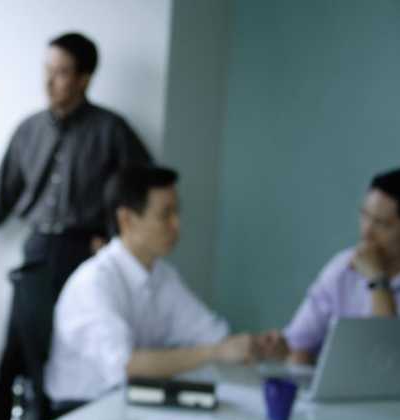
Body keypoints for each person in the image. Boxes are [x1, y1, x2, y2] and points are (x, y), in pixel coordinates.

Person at [0, 32, 152, 420]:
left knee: (61, 365)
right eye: (47, 71)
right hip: (38, 254)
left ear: (84, 78)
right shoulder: (28, 130)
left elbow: (143, 192)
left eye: (61, 73)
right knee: (15, 359)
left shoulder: (111, 130)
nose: (49, 82)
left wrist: (115, 238)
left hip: (86, 257)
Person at [44, 165, 262, 406]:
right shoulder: (95, 282)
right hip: (82, 412)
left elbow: (212, 335)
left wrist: (255, 345)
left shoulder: (162, 275)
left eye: (177, 213)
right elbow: (126, 366)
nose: (176, 225)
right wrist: (214, 353)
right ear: (126, 219)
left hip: (133, 403)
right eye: (165, 215)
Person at [260, 168, 400, 363]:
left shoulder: (365, 269)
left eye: (381, 223)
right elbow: (298, 345)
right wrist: (283, 348)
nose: (367, 232)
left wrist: (377, 280)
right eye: (364, 216)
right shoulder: (343, 268)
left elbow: (389, 361)